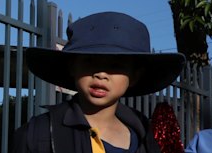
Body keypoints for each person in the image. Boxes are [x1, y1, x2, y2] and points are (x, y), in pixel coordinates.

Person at [11, 11, 186, 153]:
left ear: (134, 76)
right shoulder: (38, 134)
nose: (101, 74)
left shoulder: (147, 136)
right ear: (72, 67)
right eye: (90, 61)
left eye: (116, 65)